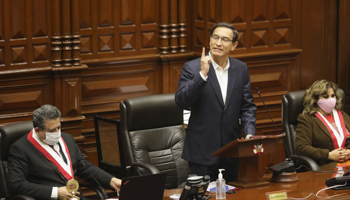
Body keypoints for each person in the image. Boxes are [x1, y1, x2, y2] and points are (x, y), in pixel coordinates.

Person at [175, 22, 256, 181]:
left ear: (234, 45)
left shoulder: (240, 69)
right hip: (202, 152)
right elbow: (182, 101)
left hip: (231, 151)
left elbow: (247, 107)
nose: (218, 43)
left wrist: (249, 134)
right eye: (215, 37)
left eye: (225, 39)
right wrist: (202, 75)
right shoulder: (192, 68)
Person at [8, 104, 121, 200]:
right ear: (38, 130)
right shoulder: (20, 149)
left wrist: (111, 180)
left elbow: (85, 167)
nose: (57, 132)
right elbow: (16, 184)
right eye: (52, 130)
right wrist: (55, 192)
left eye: (59, 127)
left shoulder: (67, 139)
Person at [295, 80, 350, 170]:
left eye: (333, 96)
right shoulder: (307, 119)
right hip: (328, 165)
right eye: (326, 97)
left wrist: (348, 152)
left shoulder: (342, 115)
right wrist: (328, 155)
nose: (331, 99)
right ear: (316, 99)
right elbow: (301, 147)